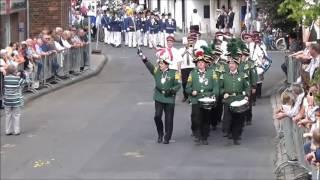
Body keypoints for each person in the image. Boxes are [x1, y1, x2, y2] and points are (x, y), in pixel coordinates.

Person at [137, 48, 181, 144]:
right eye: (159, 63)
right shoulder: (157, 71)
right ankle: (160, 134)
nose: (159, 65)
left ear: (166, 64)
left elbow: (178, 85)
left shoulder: (174, 73)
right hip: (159, 96)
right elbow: (149, 66)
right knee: (157, 116)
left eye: (161, 64)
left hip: (169, 98)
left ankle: (167, 137)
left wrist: (172, 90)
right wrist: (142, 56)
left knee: (168, 119)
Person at [186, 50, 220, 145]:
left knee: (206, 118)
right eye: (199, 63)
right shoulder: (192, 73)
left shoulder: (211, 72)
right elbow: (187, 87)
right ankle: (197, 135)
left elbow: (216, 86)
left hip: (207, 98)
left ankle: (205, 137)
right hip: (196, 99)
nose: (200, 64)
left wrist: (214, 94)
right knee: (196, 118)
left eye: (202, 63)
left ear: (205, 64)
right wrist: (192, 91)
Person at [221, 54, 250, 145]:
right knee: (228, 118)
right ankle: (229, 131)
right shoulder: (224, 75)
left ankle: (236, 137)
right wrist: (223, 93)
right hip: (228, 99)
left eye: (233, 64)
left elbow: (247, 87)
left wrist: (246, 95)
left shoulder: (242, 75)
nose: (231, 65)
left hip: (239, 99)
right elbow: (220, 87)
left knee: (238, 119)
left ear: (237, 65)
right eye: (230, 64)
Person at [3, 64, 26, 136]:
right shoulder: (17, 79)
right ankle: (16, 130)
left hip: (7, 100)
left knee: (8, 115)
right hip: (15, 99)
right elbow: (24, 81)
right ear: (14, 71)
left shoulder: (5, 78)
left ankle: (8, 130)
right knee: (16, 115)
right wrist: (22, 74)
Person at [239, 48, 258, 125]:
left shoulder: (250, 64)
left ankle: (248, 118)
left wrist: (254, 86)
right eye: (241, 55)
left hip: (248, 86)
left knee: (248, 103)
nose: (242, 57)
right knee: (240, 103)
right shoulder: (238, 64)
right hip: (240, 86)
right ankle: (241, 118)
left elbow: (254, 76)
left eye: (244, 55)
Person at [179, 35, 196, 102]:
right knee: (184, 82)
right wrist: (185, 52)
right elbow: (179, 58)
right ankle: (185, 95)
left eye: (192, 41)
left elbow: (196, 58)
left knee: (192, 82)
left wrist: (191, 53)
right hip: (184, 67)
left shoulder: (194, 49)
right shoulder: (181, 49)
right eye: (189, 41)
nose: (190, 43)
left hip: (192, 67)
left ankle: (191, 97)